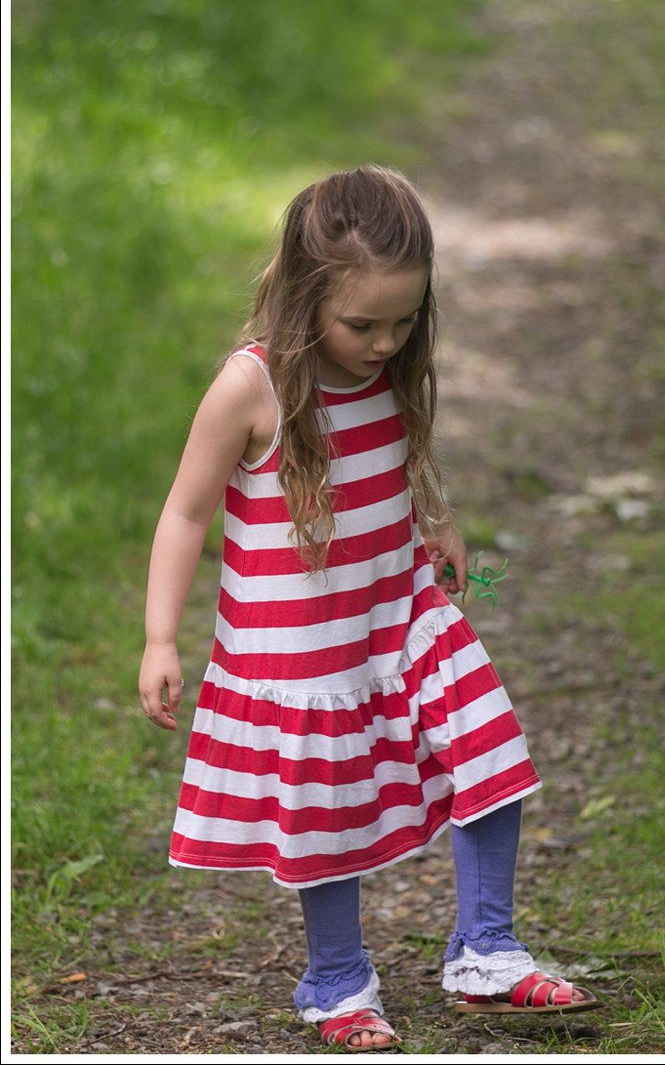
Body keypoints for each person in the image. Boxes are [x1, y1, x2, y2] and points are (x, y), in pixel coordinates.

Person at [139, 166, 600, 1051]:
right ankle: (339, 980)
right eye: (362, 324)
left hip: (406, 613)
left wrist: (440, 521)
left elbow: (395, 458)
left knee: (494, 759)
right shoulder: (252, 387)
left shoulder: (387, 363)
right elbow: (184, 511)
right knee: (331, 820)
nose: (385, 342)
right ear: (305, 296)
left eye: (404, 320)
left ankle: (487, 950)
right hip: (308, 652)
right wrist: (162, 638)